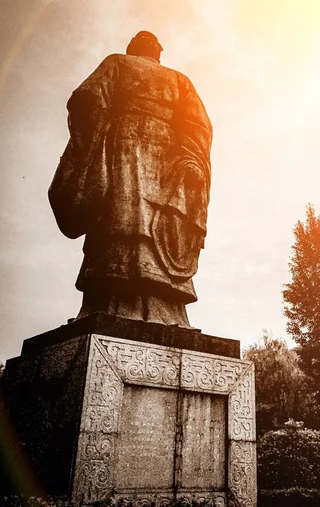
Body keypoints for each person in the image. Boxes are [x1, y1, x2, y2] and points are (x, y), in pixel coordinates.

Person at [49, 31, 212, 327]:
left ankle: (111, 300)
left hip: (122, 145)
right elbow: (199, 126)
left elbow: (86, 99)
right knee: (146, 220)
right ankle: (165, 308)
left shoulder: (117, 63)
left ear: (133, 49)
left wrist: (95, 136)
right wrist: (190, 160)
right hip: (167, 154)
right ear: (157, 52)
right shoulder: (180, 80)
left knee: (119, 218)